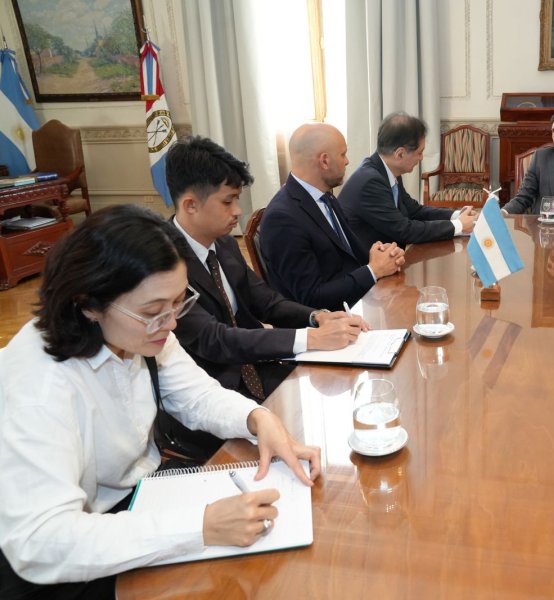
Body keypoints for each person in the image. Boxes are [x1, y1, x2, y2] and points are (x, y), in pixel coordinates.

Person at [0, 205, 322, 597]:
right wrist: (199, 526)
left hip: (144, 498)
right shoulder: (40, 386)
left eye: (176, 305)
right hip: (75, 554)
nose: (171, 325)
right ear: (87, 304)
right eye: (154, 312)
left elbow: (196, 395)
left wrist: (257, 418)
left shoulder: (139, 331)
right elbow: (40, 541)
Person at [167, 136, 368, 402]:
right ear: (190, 205)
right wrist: (310, 338)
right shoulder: (163, 264)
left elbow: (267, 301)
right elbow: (215, 339)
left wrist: (317, 317)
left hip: (261, 366)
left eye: (238, 199)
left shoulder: (224, 244)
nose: (238, 211)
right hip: (213, 388)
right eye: (228, 202)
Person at [260, 123, 405, 311]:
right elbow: (311, 297)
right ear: (325, 161)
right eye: (343, 154)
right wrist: (373, 271)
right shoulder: (282, 219)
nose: (347, 161)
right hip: (329, 326)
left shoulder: (325, 196)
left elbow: (346, 256)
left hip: (357, 302)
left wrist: (380, 256)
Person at [340, 112, 478, 248]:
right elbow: (404, 230)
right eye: (419, 152)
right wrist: (459, 225)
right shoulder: (370, 182)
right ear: (400, 154)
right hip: (365, 264)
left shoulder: (388, 170)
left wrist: (457, 215)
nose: (421, 158)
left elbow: (414, 211)